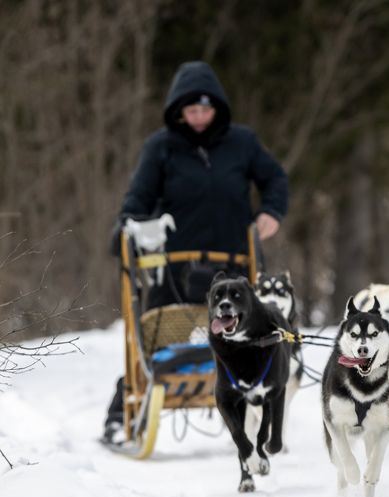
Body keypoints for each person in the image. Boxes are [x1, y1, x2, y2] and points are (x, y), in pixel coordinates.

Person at [102, 61, 289, 443]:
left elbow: (274, 179)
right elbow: (138, 198)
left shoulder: (243, 142)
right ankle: (121, 415)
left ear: (217, 107)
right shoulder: (161, 147)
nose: (199, 117)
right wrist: (128, 226)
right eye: (191, 110)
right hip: (174, 266)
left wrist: (271, 211)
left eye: (205, 109)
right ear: (178, 111)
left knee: (245, 338)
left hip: (234, 267)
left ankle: (255, 414)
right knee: (156, 338)